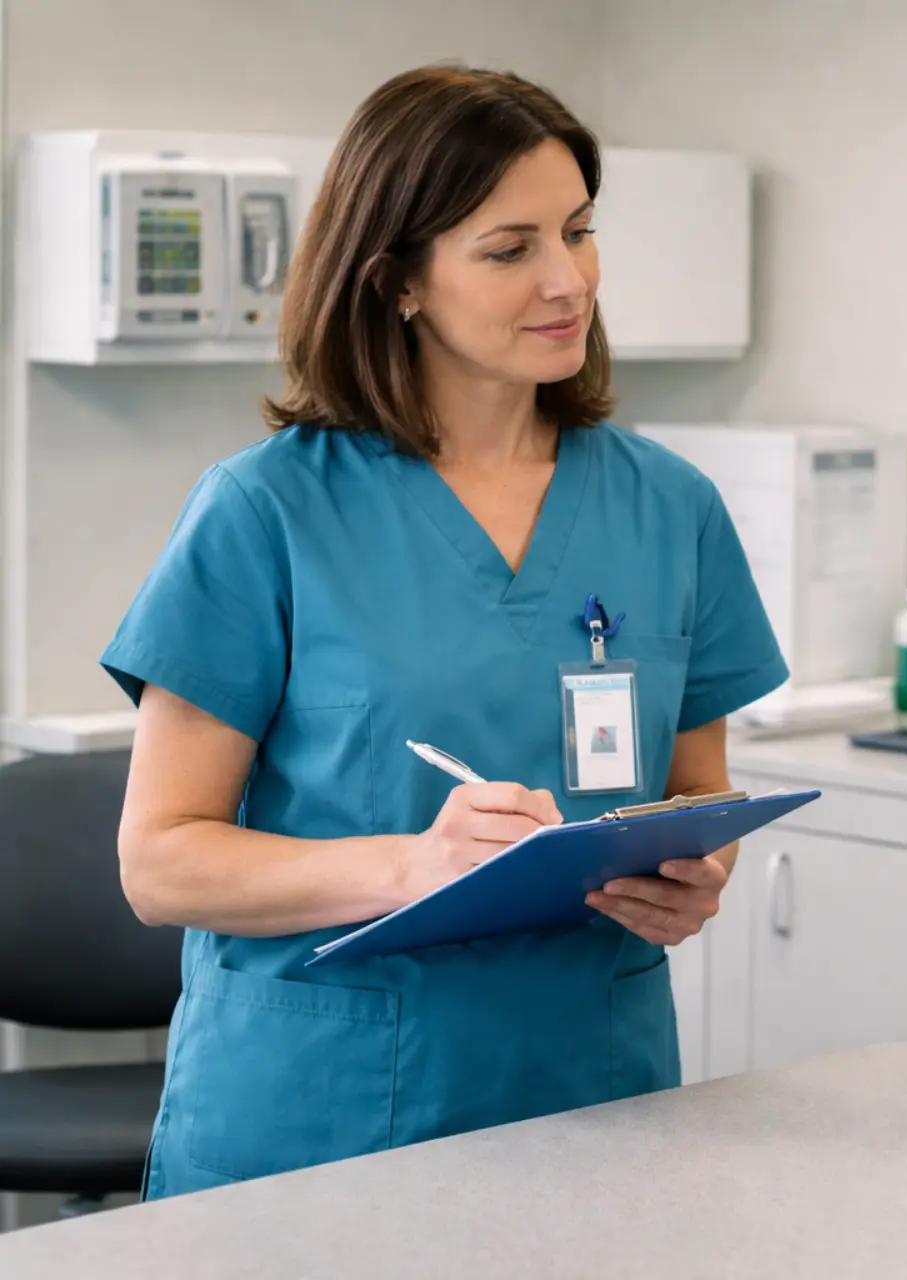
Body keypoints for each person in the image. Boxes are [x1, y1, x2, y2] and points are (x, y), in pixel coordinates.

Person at [109, 65, 787, 1198]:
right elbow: (160, 859)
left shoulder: (671, 508)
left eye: (578, 230)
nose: (569, 279)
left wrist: (696, 868)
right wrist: (413, 866)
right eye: (509, 246)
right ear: (400, 280)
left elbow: (693, 794)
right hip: (320, 1124)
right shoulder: (266, 512)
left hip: (591, 1095)